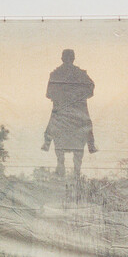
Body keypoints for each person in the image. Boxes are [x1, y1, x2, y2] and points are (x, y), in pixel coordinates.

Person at [42, 48, 97, 179]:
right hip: (77, 108)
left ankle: (47, 143)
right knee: (86, 125)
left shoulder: (55, 74)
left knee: (52, 126)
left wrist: (61, 96)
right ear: (73, 58)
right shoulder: (80, 73)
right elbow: (91, 87)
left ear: (63, 58)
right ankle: (91, 145)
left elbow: (49, 93)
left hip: (62, 108)